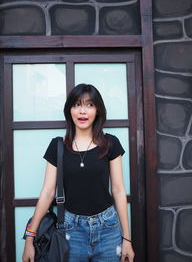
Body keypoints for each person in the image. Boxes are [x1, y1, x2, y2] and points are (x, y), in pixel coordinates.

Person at [22, 83, 135, 262]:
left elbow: (119, 190)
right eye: (77, 104)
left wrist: (127, 239)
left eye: (89, 105)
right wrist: (30, 238)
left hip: (108, 228)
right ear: (70, 110)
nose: (83, 111)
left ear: (97, 110)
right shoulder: (57, 146)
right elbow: (47, 192)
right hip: (69, 231)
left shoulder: (110, 144)